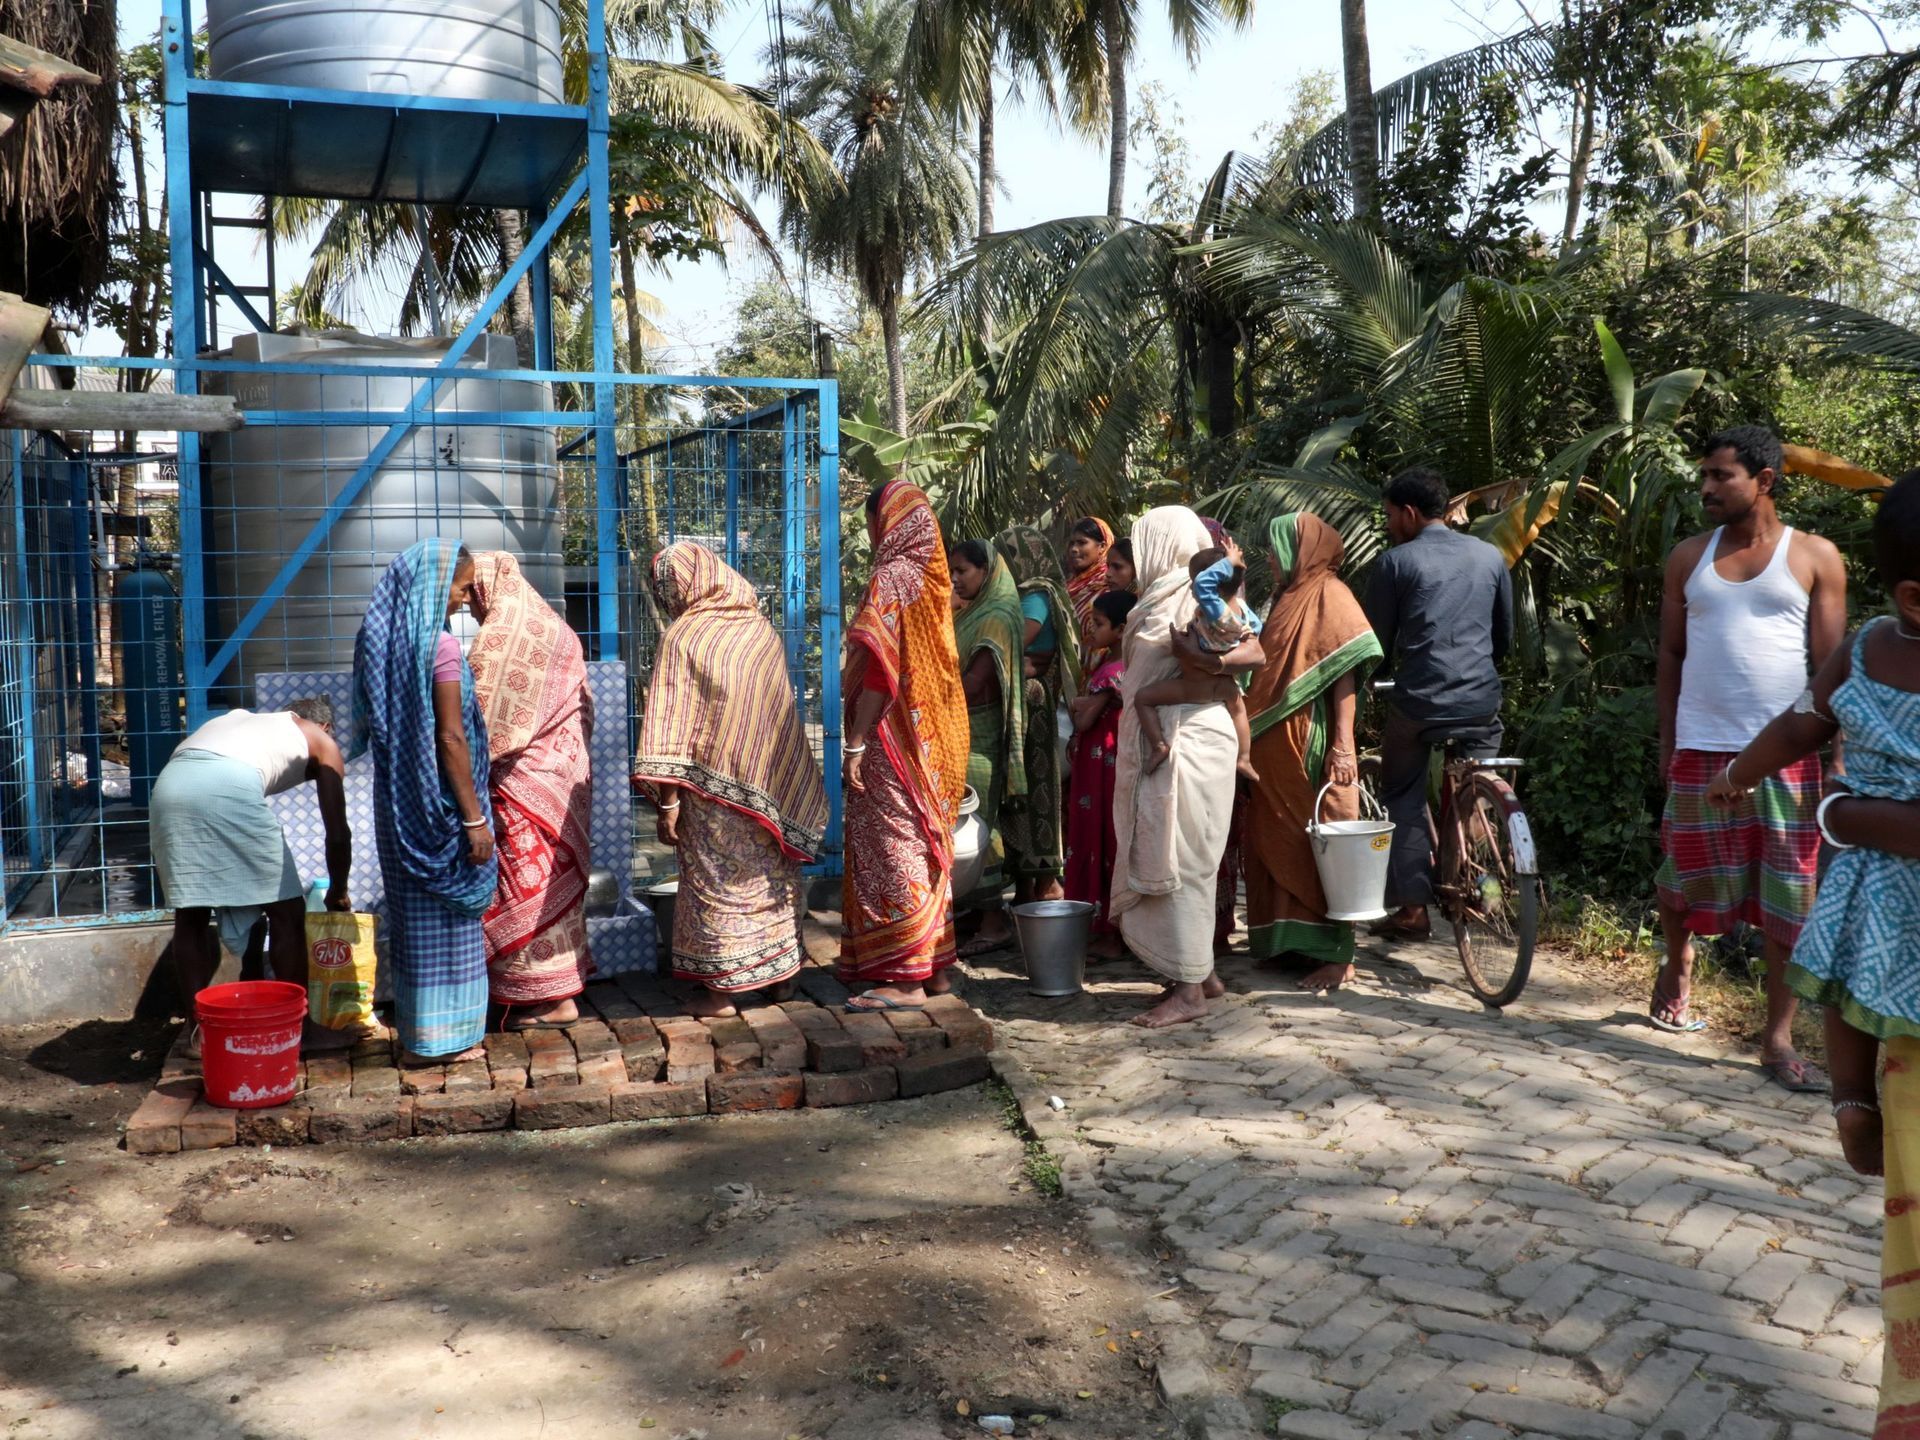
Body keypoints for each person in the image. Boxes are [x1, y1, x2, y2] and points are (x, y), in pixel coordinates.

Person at [1702, 470, 1920, 1425]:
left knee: (1841, 984)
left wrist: (1835, 808)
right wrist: (1745, 772)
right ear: (1914, 598)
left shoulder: (1869, 646)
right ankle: (1849, 1105)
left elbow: (1804, 724)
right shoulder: (1869, 648)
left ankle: (1848, 1102)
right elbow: (1798, 719)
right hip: (1886, 897)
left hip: (1875, 894)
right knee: (1840, 989)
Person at [1653, 425, 1845, 1090]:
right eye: (1704, 475)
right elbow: (1671, 656)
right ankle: (1678, 963)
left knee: (1791, 894)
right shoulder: (1688, 559)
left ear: (1764, 480)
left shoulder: (1815, 556)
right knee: (1683, 872)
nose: (1706, 487)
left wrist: (1836, 761)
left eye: (1720, 476)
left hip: (1789, 760)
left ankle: (1778, 1038)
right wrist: (1667, 740)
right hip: (1701, 746)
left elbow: (1829, 671)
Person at [633, 543, 828, 1017]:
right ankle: (781, 975)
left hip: (710, 794)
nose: (668, 599)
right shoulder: (760, 631)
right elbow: (778, 716)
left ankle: (720, 991)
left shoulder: (684, 636)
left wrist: (668, 804)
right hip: (769, 786)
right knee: (771, 877)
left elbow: (671, 724)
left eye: (666, 589)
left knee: (716, 879)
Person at [1110, 506, 1264, 1028]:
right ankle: (1201, 974)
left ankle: (1191, 992)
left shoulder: (1199, 590)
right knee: (1185, 858)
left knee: (1182, 862)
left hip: (1189, 741)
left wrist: (1213, 667)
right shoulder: (1166, 594)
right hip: (1184, 736)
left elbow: (1253, 653)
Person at [350, 539, 498, 1066]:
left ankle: (417, 1037)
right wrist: (474, 819)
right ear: (435, 587)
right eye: (460, 588)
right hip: (442, 805)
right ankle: (449, 1040)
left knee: (413, 919)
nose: (463, 599)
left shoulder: (375, 637)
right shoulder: (441, 648)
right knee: (454, 924)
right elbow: (450, 738)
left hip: (397, 802)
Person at [149, 696, 355, 1053]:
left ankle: (199, 1033)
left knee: (192, 913)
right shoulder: (321, 740)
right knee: (287, 914)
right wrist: (339, 889)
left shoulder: (245, 723)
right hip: (225, 785)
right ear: (326, 727)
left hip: (169, 787)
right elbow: (337, 832)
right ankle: (301, 1030)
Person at [1365, 466, 1513, 941]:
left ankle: (1411, 911)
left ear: (1409, 513)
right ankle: (1484, 891)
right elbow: (1503, 636)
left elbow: (1376, 644)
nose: (1389, 525)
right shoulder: (1490, 556)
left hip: (1420, 702)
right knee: (1476, 788)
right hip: (1479, 701)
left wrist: (1373, 679)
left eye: (1390, 515)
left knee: (1402, 792)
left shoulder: (1396, 562)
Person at [839, 480, 970, 1012]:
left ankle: (905, 976)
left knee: (893, 845)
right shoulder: (934, 580)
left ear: (884, 521)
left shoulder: (892, 578)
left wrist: (854, 742)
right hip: (937, 737)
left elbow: (881, 674)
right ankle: (934, 965)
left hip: (894, 738)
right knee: (922, 842)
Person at [1242, 513, 1384, 992]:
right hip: (1270, 746)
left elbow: (1345, 675)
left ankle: (1338, 955)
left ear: (1301, 549)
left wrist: (1343, 745)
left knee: (1322, 841)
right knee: (1276, 842)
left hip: (1310, 740)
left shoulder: (1330, 594)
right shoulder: (1286, 598)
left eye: (1276, 546)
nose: (1268, 556)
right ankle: (1289, 942)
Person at [465, 552, 593, 1030]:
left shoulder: (505, 634)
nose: (470, 608)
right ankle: (559, 983)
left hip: (522, 782)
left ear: (483, 588)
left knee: (526, 881)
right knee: (549, 878)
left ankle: (547, 997)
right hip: (562, 778)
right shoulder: (553, 625)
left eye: (468, 595)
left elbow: (481, 717)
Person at [994, 526, 1084, 906]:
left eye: (1004, 558)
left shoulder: (1035, 597)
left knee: (1034, 792)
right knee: (1023, 793)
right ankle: (1030, 885)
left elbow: (1009, 642)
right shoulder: (1025, 595)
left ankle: (1046, 882)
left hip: (1034, 705)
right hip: (1026, 696)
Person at [949, 538, 1030, 953]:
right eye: (953, 571)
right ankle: (974, 912)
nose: (955, 579)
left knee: (978, 825)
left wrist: (924, 687)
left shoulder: (995, 617)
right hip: (961, 730)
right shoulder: (971, 613)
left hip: (979, 737)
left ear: (987, 571)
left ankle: (994, 922)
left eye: (963, 571)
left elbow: (973, 683)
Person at [1135, 543, 1261, 782]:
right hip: (1225, 686)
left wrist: (1230, 560)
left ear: (1214, 584)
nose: (1193, 585)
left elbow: (1204, 585)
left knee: (1143, 698)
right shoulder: (1242, 612)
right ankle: (1244, 758)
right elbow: (1256, 628)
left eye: (1195, 579)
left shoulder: (1215, 609)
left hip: (1195, 685)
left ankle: (1159, 745)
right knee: (1239, 712)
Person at [1064, 590, 1134, 959]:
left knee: (1104, 840)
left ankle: (1110, 932)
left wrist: (1081, 705)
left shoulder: (1113, 672)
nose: (1093, 628)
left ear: (1122, 629)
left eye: (1101, 623)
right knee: (1107, 839)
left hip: (1105, 763)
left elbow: (1085, 718)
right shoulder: (1121, 663)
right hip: (1104, 761)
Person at [1065, 517, 1116, 667]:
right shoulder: (1070, 585)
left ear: (1102, 547)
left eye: (1082, 543)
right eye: (1072, 543)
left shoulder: (1109, 587)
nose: (1074, 549)